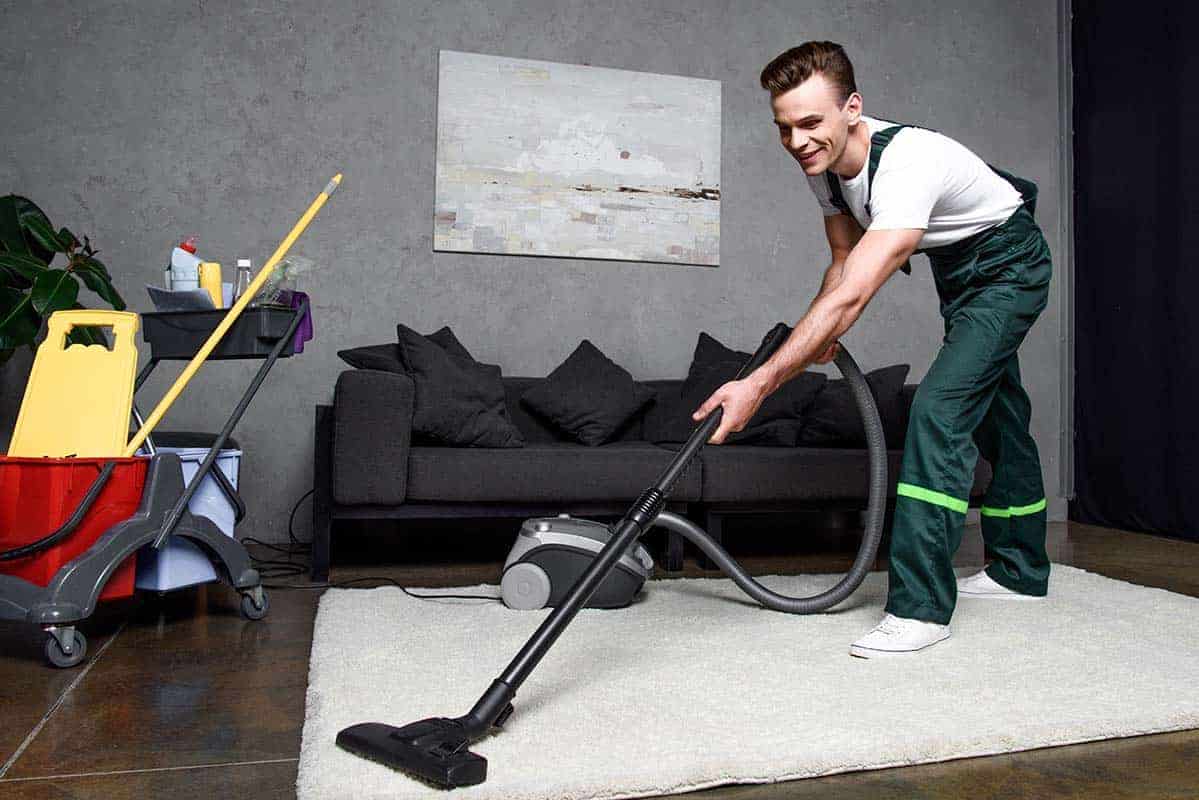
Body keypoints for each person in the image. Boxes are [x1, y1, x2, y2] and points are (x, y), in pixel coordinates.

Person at [692, 41, 1052, 658]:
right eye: (785, 129)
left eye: (811, 123)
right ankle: (1021, 569)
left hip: (1008, 267)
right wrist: (822, 334)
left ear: (852, 109)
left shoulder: (910, 164)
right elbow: (841, 262)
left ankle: (920, 609)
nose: (798, 141)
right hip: (961, 272)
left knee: (939, 409)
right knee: (1000, 413)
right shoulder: (826, 172)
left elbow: (856, 292)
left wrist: (762, 382)